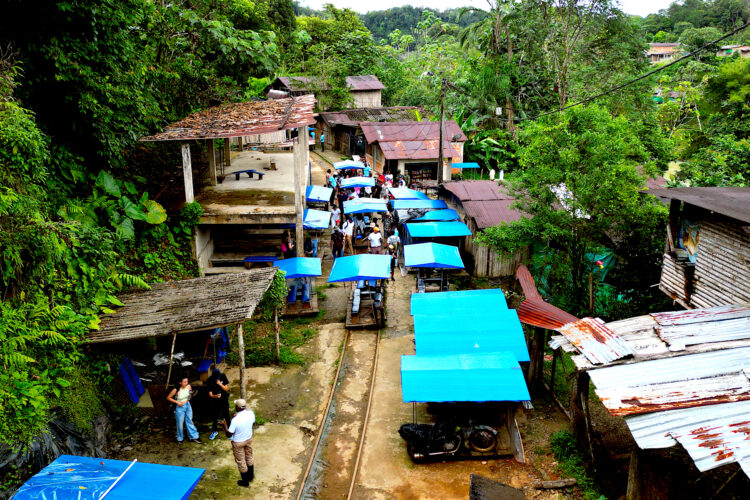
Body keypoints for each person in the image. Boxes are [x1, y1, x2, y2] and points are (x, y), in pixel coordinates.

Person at [221, 399, 256, 487]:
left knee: (241, 461)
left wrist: (224, 426)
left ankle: (245, 482)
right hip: (248, 439)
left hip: (238, 442)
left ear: (237, 407)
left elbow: (229, 434)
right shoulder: (251, 413)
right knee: (249, 456)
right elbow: (252, 422)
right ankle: (251, 476)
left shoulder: (235, 420)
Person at [167, 376, 201, 444]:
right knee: (180, 423)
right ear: (180, 382)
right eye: (184, 382)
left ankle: (193, 436)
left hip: (188, 405)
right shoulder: (176, 390)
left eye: (187, 381)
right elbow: (168, 397)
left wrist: (190, 396)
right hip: (180, 407)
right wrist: (177, 402)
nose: (186, 383)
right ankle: (180, 437)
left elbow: (190, 393)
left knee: (189, 420)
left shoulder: (188, 386)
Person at [207, 368, 230, 441]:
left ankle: (230, 430)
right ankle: (214, 431)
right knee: (215, 416)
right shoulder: (209, 380)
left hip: (224, 399)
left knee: (226, 414)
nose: (217, 378)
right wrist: (215, 396)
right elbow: (210, 394)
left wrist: (220, 384)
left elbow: (226, 389)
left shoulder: (223, 376)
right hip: (215, 401)